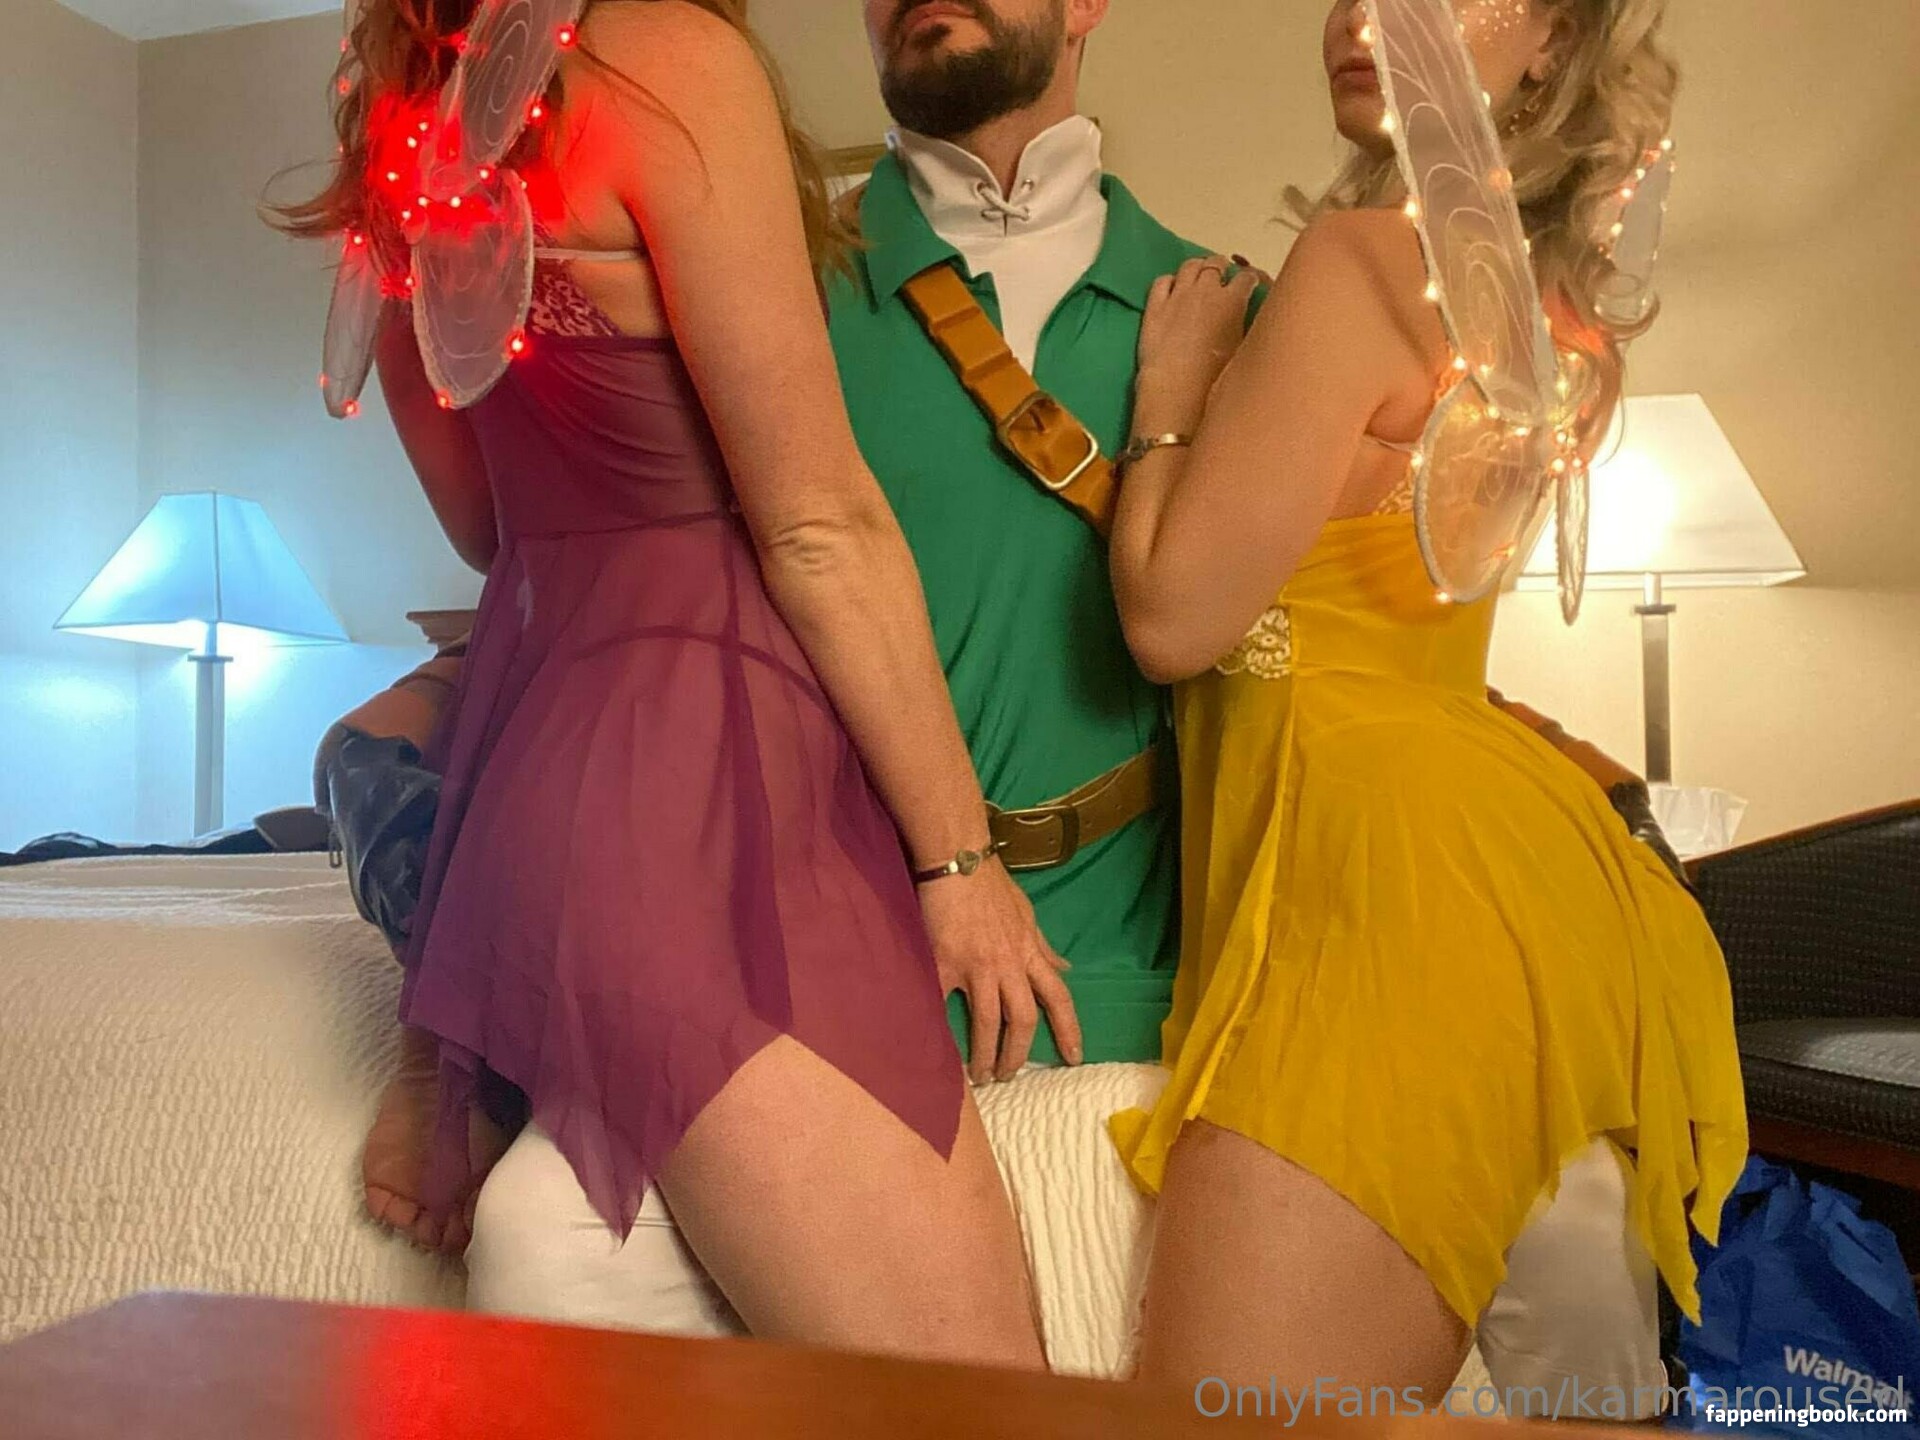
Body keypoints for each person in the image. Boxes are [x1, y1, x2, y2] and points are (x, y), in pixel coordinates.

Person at [320, 0, 1692, 1392]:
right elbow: (613, 567)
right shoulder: (764, 277)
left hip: (1144, 956)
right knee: (546, 1235)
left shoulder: (1240, 306)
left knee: (1574, 1222)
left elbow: (1337, 642)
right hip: (844, 932)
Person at [286, 0, 1057, 1368]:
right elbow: (818, 526)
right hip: (697, 756)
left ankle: (469, 1040)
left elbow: (483, 526)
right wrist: (960, 862)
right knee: (977, 1399)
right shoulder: (664, 62)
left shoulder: (419, 116)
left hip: (530, 762)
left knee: (594, 1234)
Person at [1103, 0, 1748, 1402]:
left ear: (1552, 37)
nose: (1362, 19)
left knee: (1224, 1419)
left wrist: (1168, 398)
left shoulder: (1356, 262)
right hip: (1519, 862)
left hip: (1374, 871)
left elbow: (1168, 617)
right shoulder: (1562, 321)